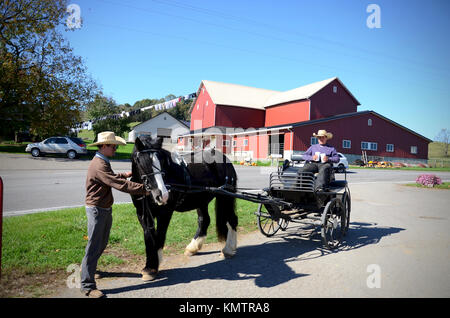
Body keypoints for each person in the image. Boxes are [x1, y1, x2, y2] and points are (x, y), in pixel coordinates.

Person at [81, 131, 149, 298]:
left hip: (103, 209)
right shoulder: (99, 164)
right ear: (103, 146)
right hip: (97, 210)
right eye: (113, 146)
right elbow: (118, 184)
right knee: (93, 246)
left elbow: (110, 177)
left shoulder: (102, 162)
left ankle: (91, 270)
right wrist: (146, 189)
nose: (115, 150)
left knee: (101, 243)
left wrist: (124, 175)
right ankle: (87, 285)